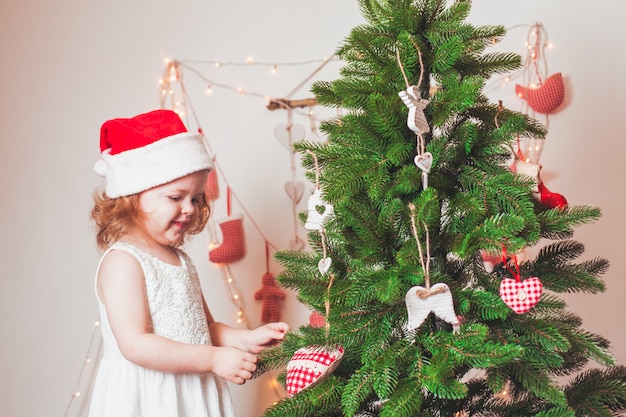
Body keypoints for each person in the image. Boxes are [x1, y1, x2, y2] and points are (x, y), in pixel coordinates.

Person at [88, 109, 289, 416]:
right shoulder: (124, 262)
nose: (190, 209)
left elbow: (205, 327)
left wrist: (245, 339)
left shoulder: (181, 259)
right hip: (151, 396)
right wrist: (213, 360)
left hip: (193, 390)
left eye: (196, 199)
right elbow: (136, 345)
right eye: (176, 197)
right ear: (132, 196)